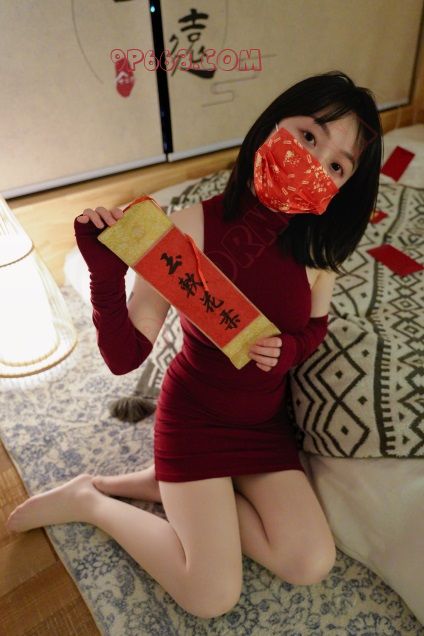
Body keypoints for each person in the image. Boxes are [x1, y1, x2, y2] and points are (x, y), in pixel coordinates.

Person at [6, 70, 382, 619]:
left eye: (337, 166)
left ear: (340, 189)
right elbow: (125, 357)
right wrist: (106, 277)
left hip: (263, 428)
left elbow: (314, 330)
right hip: (196, 420)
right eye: (308, 136)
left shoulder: (317, 255)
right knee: (210, 594)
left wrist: (290, 349)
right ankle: (92, 501)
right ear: (271, 126)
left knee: (309, 560)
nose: (313, 163)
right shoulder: (185, 231)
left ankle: (162, 485)